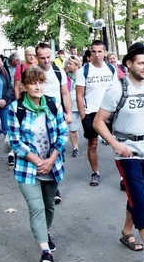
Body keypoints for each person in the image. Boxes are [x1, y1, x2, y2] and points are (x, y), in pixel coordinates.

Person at [93, 42, 144, 262]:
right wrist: (117, 145)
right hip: (125, 152)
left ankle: (127, 232)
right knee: (139, 196)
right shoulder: (117, 88)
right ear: (129, 64)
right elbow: (99, 122)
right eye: (141, 63)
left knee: (138, 194)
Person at [7, 66, 68, 262]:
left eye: (40, 82)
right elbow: (15, 141)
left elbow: (63, 133)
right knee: (36, 207)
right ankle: (45, 251)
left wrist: (50, 160)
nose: (37, 86)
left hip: (52, 164)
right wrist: (37, 161)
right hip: (27, 168)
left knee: (49, 205)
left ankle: (45, 231)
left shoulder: (53, 104)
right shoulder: (16, 109)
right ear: (24, 86)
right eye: (33, 83)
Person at [36, 42, 73, 204]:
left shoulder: (58, 72)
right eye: (42, 58)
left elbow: (65, 93)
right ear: (37, 58)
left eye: (48, 57)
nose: (46, 61)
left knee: (58, 151)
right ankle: (43, 184)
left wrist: (69, 112)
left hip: (56, 118)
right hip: (39, 118)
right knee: (43, 151)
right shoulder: (33, 73)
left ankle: (54, 186)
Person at [77, 40, 117, 187]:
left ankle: (122, 176)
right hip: (91, 112)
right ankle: (95, 172)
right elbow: (79, 96)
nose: (96, 54)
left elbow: (115, 92)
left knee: (116, 142)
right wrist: (83, 116)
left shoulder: (111, 69)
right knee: (92, 144)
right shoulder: (83, 71)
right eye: (93, 51)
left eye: (100, 51)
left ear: (105, 52)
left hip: (109, 111)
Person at [64, 55, 82, 157]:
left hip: (84, 105)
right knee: (73, 128)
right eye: (68, 63)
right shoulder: (65, 76)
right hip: (71, 105)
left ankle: (92, 143)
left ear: (77, 65)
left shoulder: (83, 74)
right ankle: (75, 147)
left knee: (89, 126)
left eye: (70, 63)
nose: (68, 65)